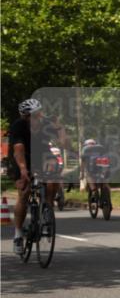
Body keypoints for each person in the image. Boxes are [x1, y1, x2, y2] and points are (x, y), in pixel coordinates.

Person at [6, 98, 73, 255]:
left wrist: (60, 128)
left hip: (42, 154)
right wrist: (23, 170)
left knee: (53, 171)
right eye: (35, 115)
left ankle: (47, 209)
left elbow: (65, 145)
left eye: (40, 113)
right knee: (24, 192)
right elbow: (18, 150)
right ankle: (18, 235)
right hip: (22, 156)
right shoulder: (18, 126)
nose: (39, 117)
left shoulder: (46, 124)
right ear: (26, 117)